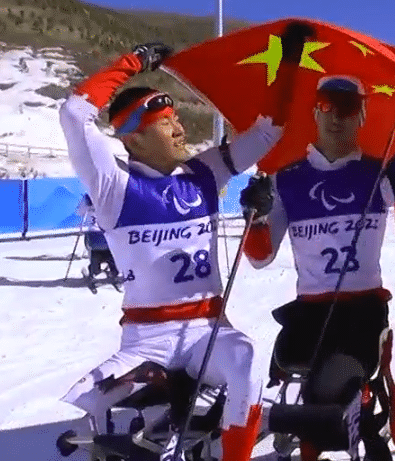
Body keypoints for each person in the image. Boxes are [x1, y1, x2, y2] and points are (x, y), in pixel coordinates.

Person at [58, 42, 286, 461]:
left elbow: (268, 132)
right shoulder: (114, 185)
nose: (181, 129)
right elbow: (74, 113)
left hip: (207, 330)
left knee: (248, 361)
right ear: (134, 138)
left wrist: (286, 65)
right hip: (146, 340)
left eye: (177, 118)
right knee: (89, 401)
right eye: (165, 123)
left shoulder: (205, 171)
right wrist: (135, 62)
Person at [238, 75, 395, 461]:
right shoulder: (287, 179)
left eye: (347, 109)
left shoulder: (378, 172)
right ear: (315, 114)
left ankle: (352, 419)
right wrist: (255, 217)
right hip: (311, 313)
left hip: (362, 309)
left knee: (331, 381)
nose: (336, 117)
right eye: (326, 107)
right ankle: (334, 419)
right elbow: (259, 257)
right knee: (291, 363)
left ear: (362, 116)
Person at [76, 193, 118, 283]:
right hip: (107, 235)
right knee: (111, 249)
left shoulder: (88, 197)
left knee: (92, 247)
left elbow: (79, 213)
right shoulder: (110, 196)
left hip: (93, 236)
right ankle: (113, 270)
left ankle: (94, 269)